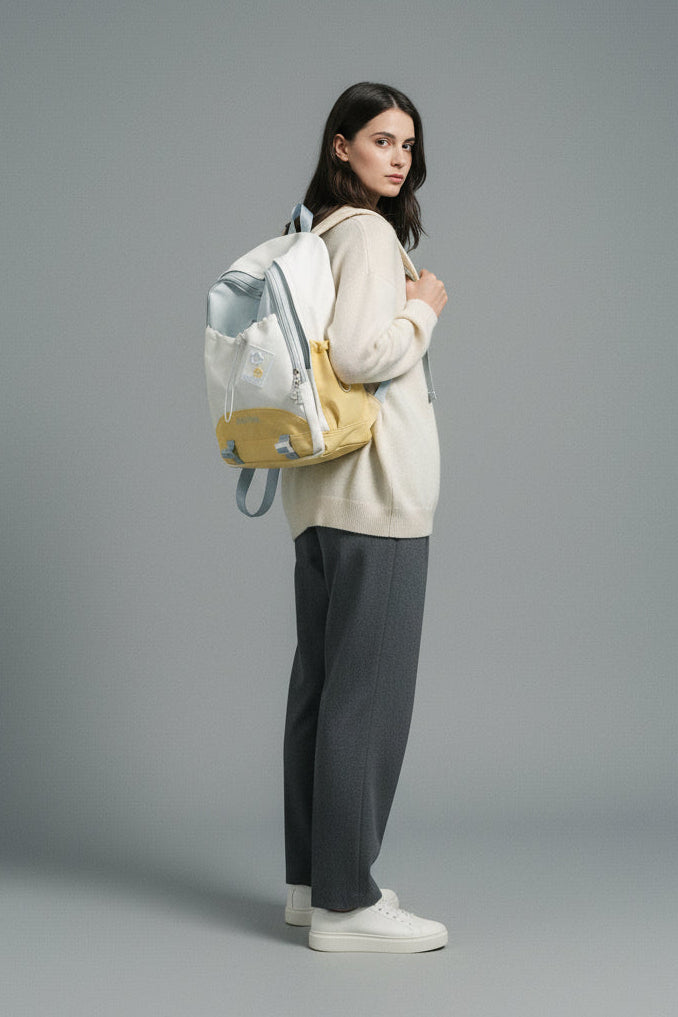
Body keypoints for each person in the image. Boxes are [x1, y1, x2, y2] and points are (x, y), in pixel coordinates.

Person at [280, 82, 448, 953]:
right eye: (381, 140)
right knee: (366, 698)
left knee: (320, 689)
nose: (398, 156)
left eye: (408, 145)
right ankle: (350, 905)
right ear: (340, 145)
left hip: (318, 496)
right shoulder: (374, 235)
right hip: (378, 494)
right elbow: (359, 353)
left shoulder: (313, 232)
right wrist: (424, 307)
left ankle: (314, 884)